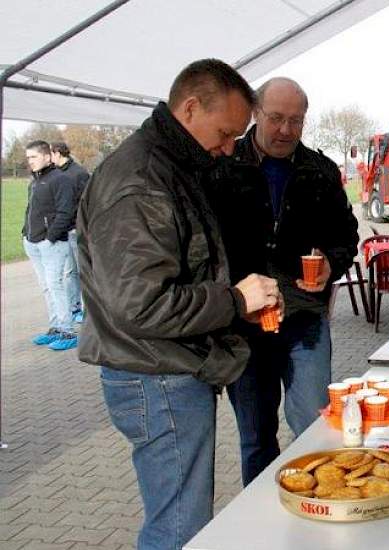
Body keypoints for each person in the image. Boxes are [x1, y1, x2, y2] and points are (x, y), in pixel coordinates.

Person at [76, 59, 282, 550]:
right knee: (179, 525)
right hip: (156, 375)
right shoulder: (141, 180)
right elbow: (140, 305)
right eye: (226, 132)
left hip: (168, 367)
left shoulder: (173, 164)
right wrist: (233, 300)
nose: (230, 147)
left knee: (182, 514)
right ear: (190, 107)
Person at [208, 77, 359, 486]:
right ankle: (262, 527)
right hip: (244, 324)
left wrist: (331, 264)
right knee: (256, 439)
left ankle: (319, 505)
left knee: (314, 424)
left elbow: (347, 236)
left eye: (296, 120)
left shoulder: (321, 171)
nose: (285, 130)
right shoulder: (222, 166)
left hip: (303, 322)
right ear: (255, 113)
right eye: (275, 118)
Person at [22, 140, 79, 351]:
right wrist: (25, 234)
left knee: (56, 286)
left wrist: (51, 237)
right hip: (33, 242)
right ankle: (55, 327)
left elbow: (66, 212)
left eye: (33, 157)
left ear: (47, 156)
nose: (30, 161)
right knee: (47, 287)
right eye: (28, 158)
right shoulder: (34, 182)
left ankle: (67, 331)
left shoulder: (61, 179)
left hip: (52, 244)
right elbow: (31, 211)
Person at [50, 141, 89, 323]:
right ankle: (75, 308)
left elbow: (86, 202)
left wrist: (77, 223)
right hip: (64, 232)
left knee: (83, 271)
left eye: (50, 154)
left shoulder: (79, 173)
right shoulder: (57, 174)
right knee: (69, 272)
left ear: (57, 153)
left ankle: (89, 310)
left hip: (76, 230)